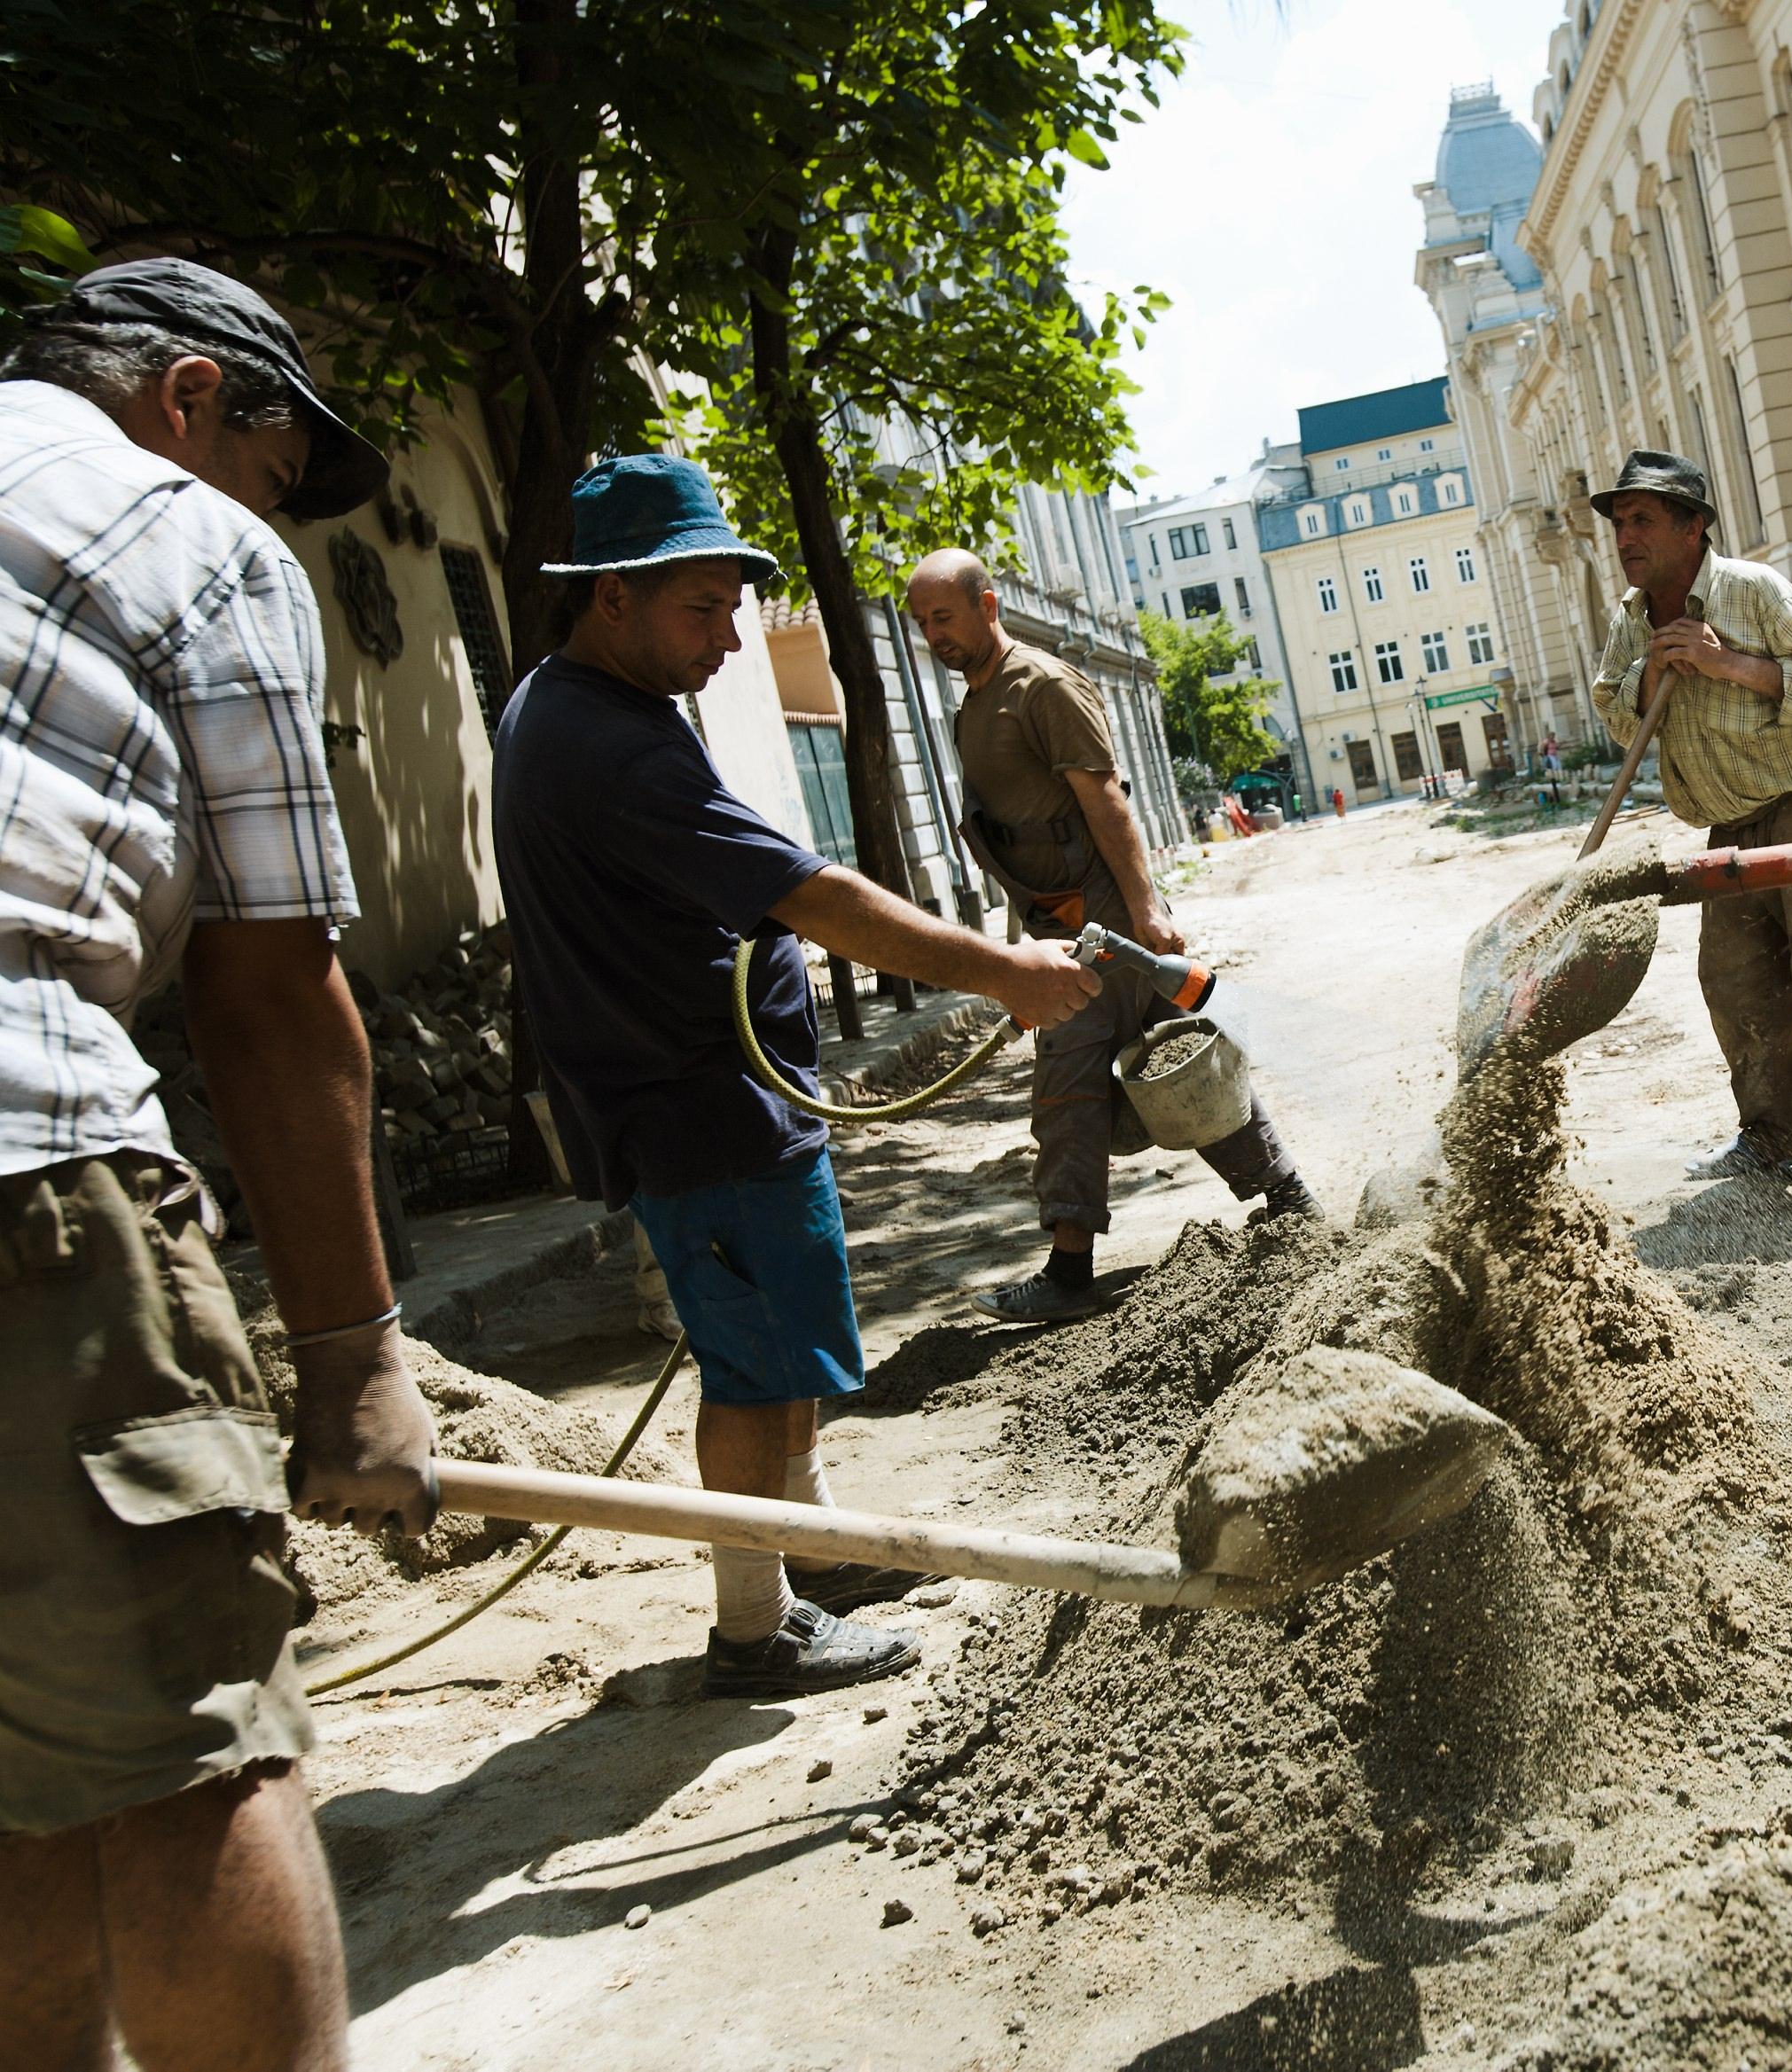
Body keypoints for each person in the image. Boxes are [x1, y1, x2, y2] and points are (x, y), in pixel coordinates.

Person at [0, 258, 428, 2068]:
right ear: (187, 397)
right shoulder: (180, 524)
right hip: (20, 1169)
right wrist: (352, 1360)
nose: (274, 504)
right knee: (191, 1744)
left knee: (21, 1784)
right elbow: (267, 984)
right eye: (278, 455)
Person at [494, 457, 1104, 1698]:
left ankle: (811, 1556)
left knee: (779, 1341)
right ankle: (753, 1626)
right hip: (696, 1105)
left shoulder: (582, 706)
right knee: (754, 1366)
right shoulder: (610, 746)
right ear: (613, 597)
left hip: (714, 1093)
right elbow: (809, 895)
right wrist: (1002, 970)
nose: (731, 637)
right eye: (703, 609)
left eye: (733, 607)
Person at [904, 550, 1317, 1325]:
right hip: (1058, 922)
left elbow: (1107, 804)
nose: (934, 634)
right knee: (1174, 1058)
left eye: (944, 617)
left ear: (987, 605)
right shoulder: (975, 704)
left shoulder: (1045, 686)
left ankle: (1068, 1273)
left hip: (1103, 922)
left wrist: (1147, 912)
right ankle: (1287, 1197)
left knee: (1072, 1083)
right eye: (922, 622)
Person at [1589, 450, 1792, 1185]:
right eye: (1618, 523)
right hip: (1729, 827)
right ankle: (1768, 1135)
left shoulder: (1752, 591)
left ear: (1693, 526)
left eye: (1642, 519)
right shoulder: (1632, 621)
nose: (1625, 537)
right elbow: (1613, 709)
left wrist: (1728, 662)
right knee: (1736, 982)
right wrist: (1647, 678)